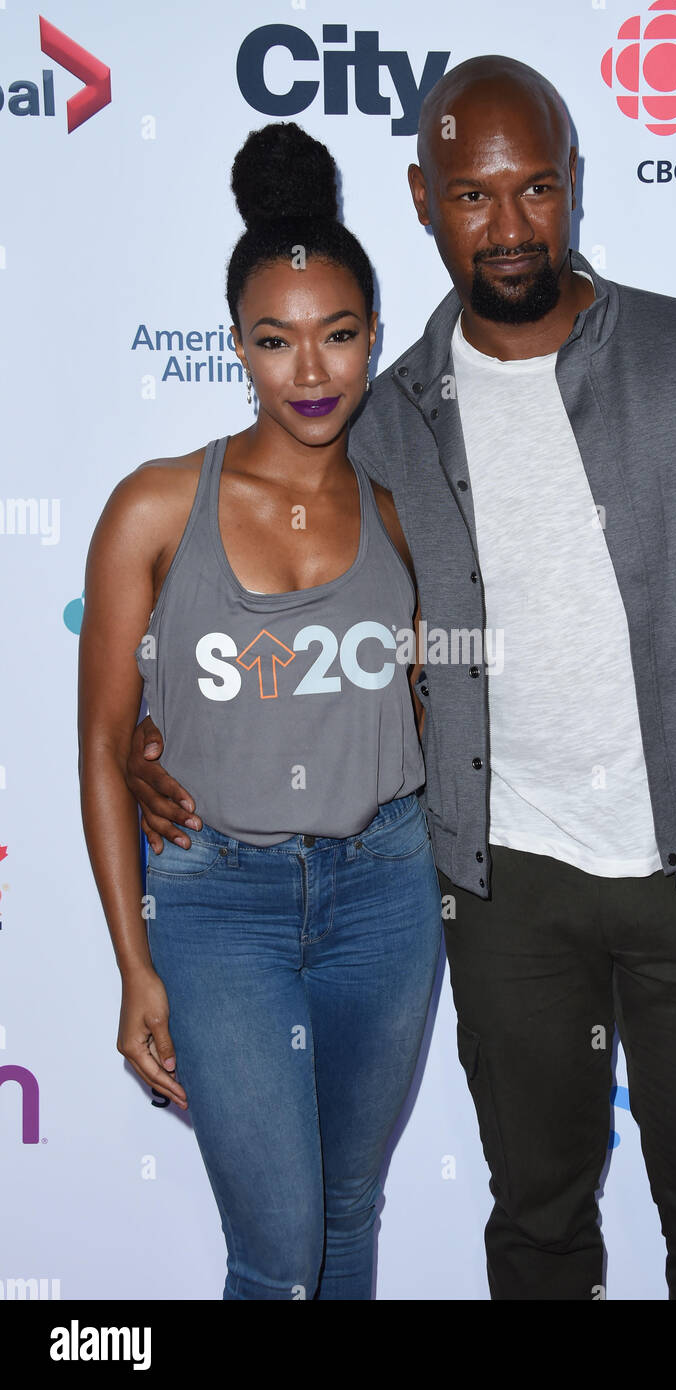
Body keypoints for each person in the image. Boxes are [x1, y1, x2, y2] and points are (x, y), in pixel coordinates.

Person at [125, 57, 676, 1301]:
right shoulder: (383, 416)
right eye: (472, 196)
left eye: (535, 191)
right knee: (537, 1224)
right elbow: (287, 611)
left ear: (572, 189)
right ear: (420, 199)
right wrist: (159, 743)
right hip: (501, 887)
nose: (508, 228)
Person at [78, 122, 442, 1301]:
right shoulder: (151, 506)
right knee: (278, 1252)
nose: (311, 371)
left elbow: (436, 700)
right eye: (275, 341)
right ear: (233, 344)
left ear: (373, 338)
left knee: (347, 1211)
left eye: (338, 336)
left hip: (383, 895)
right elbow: (98, 744)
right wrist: (135, 969)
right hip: (215, 901)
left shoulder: (402, 508)